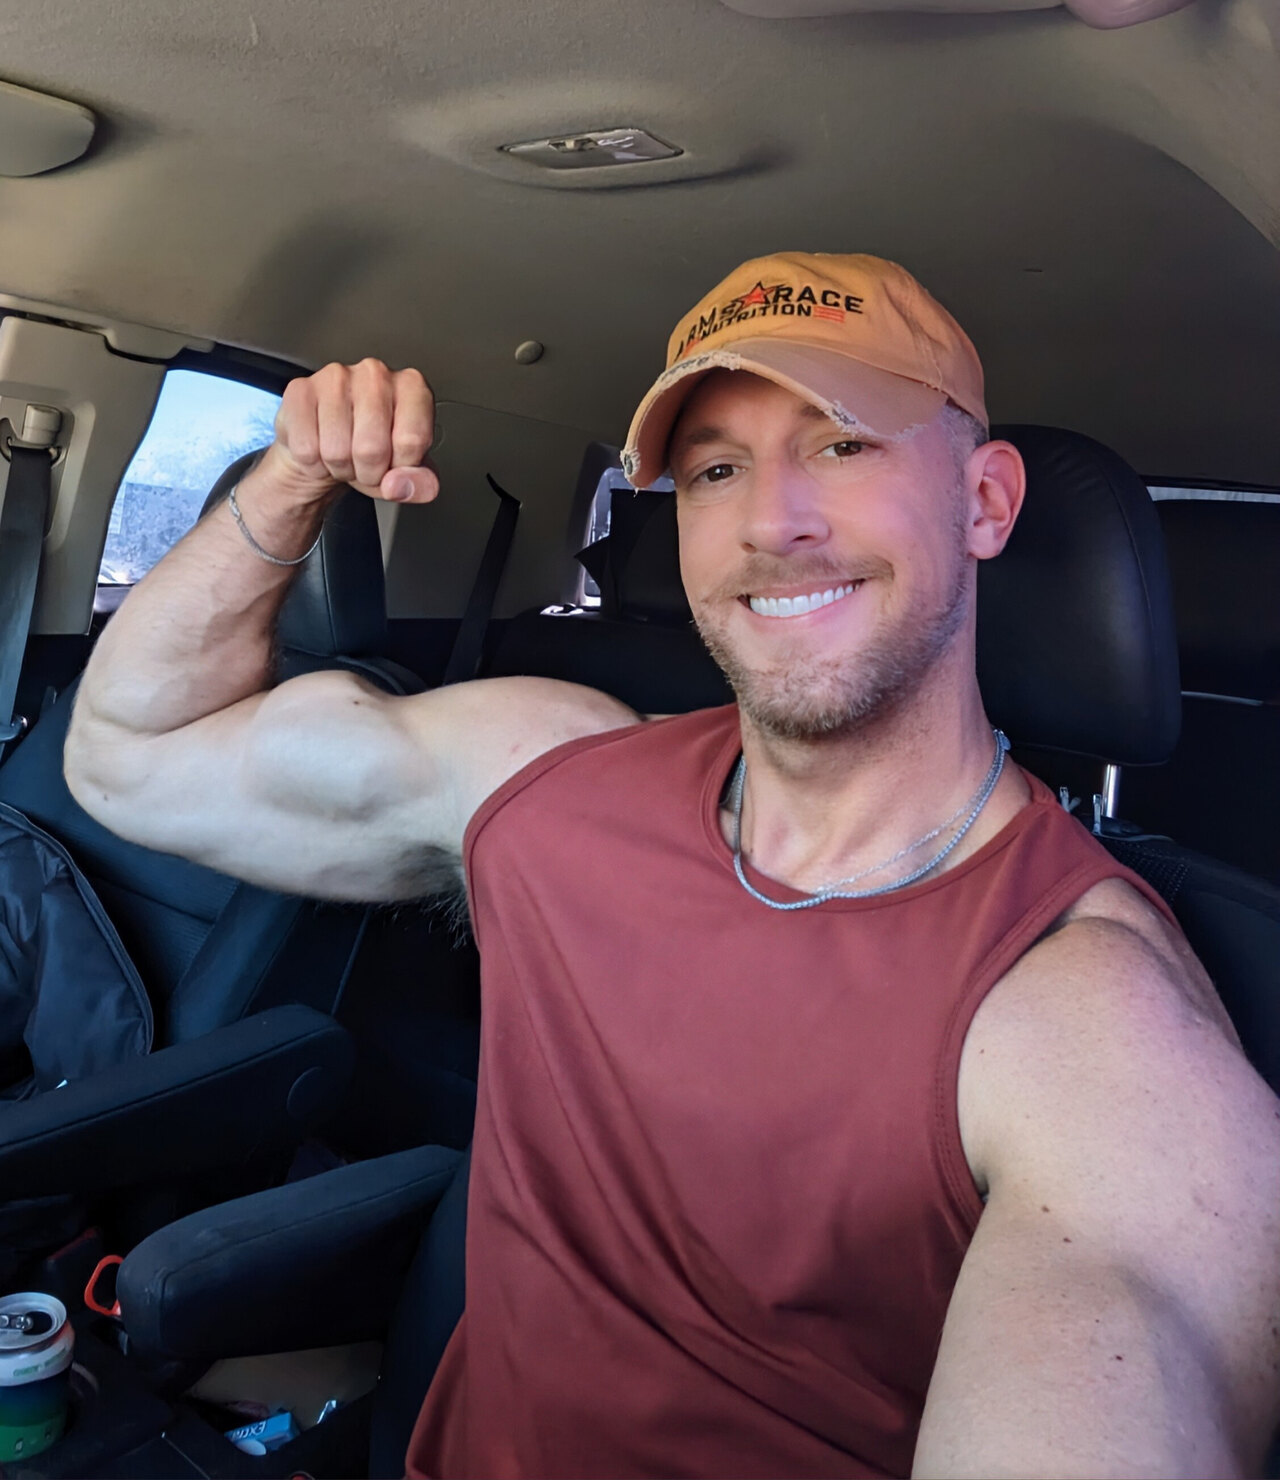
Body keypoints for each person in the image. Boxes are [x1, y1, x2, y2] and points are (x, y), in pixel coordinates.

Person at [66, 253, 1280, 1479]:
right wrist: (288, 484)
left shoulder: (1090, 1019)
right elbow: (128, 757)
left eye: (842, 445)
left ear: (983, 501)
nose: (770, 521)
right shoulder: (546, 775)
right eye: (714, 470)